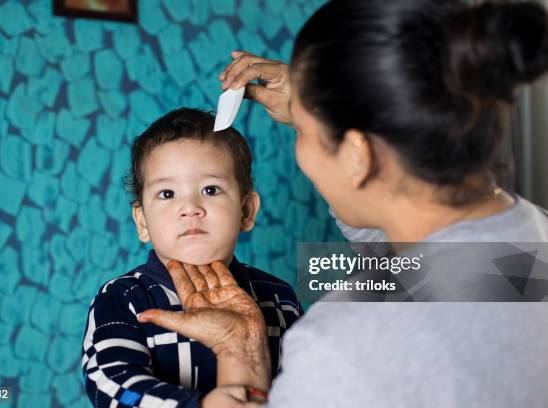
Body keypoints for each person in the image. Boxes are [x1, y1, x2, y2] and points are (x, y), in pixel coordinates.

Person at [137, 1, 548, 407]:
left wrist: (240, 357)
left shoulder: (341, 350)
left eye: (304, 134)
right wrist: (319, 112)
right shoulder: (531, 251)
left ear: (358, 154)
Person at [81, 108, 302, 407]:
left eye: (210, 189)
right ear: (142, 221)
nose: (190, 208)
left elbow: (307, 385)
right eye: (168, 194)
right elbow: (110, 385)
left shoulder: (277, 296)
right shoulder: (124, 298)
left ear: (246, 210)